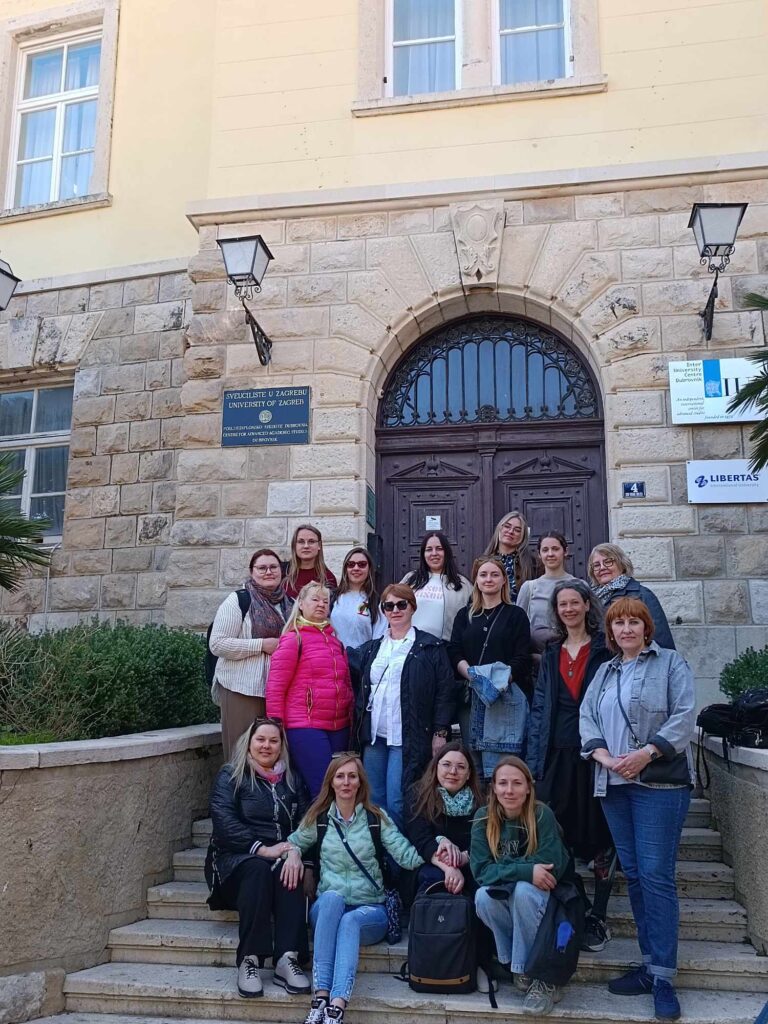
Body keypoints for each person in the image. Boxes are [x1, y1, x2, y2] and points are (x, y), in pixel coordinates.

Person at [579, 597, 696, 1022]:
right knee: (635, 875)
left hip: (658, 785)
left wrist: (646, 754)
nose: (626, 629)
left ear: (647, 628)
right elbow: (587, 717)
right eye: (619, 623)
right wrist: (605, 758)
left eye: (634, 622)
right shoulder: (606, 671)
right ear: (610, 631)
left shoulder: (670, 664)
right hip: (613, 785)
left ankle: (663, 977)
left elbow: (684, 716)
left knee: (655, 876)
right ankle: (649, 966)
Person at [282, 754, 425, 1024]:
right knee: (333, 898)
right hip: (328, 910)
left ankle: (336, 1006)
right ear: (331, 782)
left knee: (350, 920)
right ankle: (320, 997)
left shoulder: (375, 818)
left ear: (360, 782)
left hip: (370, 911)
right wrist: (293, 854)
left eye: (352, 776)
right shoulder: (320, 818)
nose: (346, 782)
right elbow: (293, 842)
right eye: (340, 776)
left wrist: (440, 851)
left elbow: (407, 855)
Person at [526, 580, 615, 953]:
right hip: (557, 752)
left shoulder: (606, 648)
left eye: (574, 602)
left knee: (600, 835)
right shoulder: (551, 652)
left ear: (586, 605)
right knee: (556, 832)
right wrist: (534, 761)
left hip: (596, 754)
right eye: (562, 604)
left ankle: (599, 915)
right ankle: (569, 907)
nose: (568, 609)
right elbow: (540, 706)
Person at [206, 718, 311, 999]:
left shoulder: (292, 779)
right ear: (249, 743)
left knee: (290, 870)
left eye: (273, 741)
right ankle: (249, 960)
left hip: (279, 856)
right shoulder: (231, 776)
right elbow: (224, 822)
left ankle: (287, 958)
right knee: (258, 870)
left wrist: (295, 850)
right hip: (235, 862)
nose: (266, 746)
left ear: (281, 746)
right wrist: (262, 849)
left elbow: (306, 822)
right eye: (260, 739)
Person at [349, 583, 455, 829]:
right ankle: (379, 847)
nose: (395, 610)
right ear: (383, 610)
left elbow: (445, 691)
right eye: (389, 606)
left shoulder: (430, 646)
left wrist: (440, 732)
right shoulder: (373, 647)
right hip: (375, 736)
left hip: (408, 735)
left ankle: (400, 850)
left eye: (401, 604)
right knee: (374, 799)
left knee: (397, 800)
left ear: (412, 607)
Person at [471, 755, 571, 1016]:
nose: (509, 790)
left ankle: (531, 973)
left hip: (545, 900)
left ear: (528, 787)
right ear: (493, 787)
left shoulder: (541, 814)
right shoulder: (483, 818)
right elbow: (481, 871)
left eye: (517, 783)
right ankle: (518, 967)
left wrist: (510, 872)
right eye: (503, 783)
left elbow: (550, 864)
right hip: (510, 898)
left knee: (524, 891)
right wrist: (526, 870)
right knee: (483, 896)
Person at [407, 741, 495, 994]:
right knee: (436, 881)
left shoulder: (482, 801)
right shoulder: (419, 794)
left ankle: (481, 963)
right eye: (446, 765)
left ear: (469, 774)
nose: (452, 772)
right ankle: (432, 960)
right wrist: (448, 866)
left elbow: (487, 840)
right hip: (433, 863)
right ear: (436, 768)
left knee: (482, 890)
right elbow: (420, 839)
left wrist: (464, 859)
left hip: (471, 861)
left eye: (460, 767)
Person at [266, 582, 354, 798]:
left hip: (339, 727)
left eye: (326, 601)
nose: (321, 604)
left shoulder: (336, 642)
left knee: (338, 790)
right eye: (315, 599)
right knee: (323, 790)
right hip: (305, 726)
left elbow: (346, 684)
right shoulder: (293, 639)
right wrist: (276, 727)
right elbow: (275, 688)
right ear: (301, 604)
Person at [448, 557, 532, 780]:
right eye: (483, 574)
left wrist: (496, 683)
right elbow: (454, 651)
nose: (489, 579)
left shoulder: (516, 615)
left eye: (495, 574)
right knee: (473, 764)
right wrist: (473, 676)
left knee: (503, 765)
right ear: (476, 580)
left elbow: (522, 657)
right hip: (471, 695)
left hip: (504, 697)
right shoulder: (464, 615)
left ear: (504, 580)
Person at [209, 548, 292, 760]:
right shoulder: (238, 600)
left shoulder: (289, 604)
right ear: (251, 571)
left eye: (273, 567)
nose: (268, 572)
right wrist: (261, 645)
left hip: (278, 692)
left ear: (281, 571)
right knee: (240, 754)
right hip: (242, 688)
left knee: (274, 756)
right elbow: (217, 644)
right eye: (262, 568)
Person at [588, 543, 675, 650]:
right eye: (596, 565)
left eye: (608, 562)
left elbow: (661, 641)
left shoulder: (642, 595)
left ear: (622, 564)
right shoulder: (590, 599)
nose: (602, 568)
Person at [400, 531, 472, 640]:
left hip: (446, 646)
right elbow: (390, 606)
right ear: (423, 554)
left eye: (439, 548)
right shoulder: (410, 579)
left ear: (446, 552)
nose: (434, 553)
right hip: (410, 644)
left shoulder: (463, 584)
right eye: (429, 549)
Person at [516, 532, 576, 657]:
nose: (550, 554)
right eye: (545, 550)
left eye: (555, 549)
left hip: (572, 655)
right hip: (538, 659)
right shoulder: (529, 588)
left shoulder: (579, 585)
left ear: (565, 551)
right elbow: (518, 627)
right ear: (539, 554)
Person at [330, 547, 386, 649]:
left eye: (362, 564)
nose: (356, 568)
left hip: (362, 657)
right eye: (351, 564)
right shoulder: (332, 597)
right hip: (334, 656)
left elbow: (379, 637)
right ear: (345, 568)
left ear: (369, 568)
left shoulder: (376, 601)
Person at [483, 511, 543, 602]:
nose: (510, 531)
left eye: (517, 530)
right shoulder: (483, 562)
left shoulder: (533, 564)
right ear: (499, 528)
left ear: (523, 536)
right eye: (507, 526)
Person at [285, 524, 338, 601]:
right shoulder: (283, 573)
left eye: (311, 541)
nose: (306, 546)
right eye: (301, 541)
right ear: (294, 545)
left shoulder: (328, 578)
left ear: (319, 545)